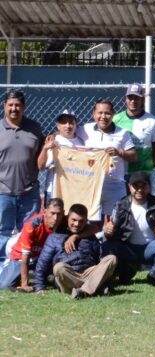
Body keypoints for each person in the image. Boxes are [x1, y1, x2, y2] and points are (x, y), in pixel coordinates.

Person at [33, 204, 118, 299]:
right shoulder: (55, 237)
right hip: (69, 276)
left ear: (86, 221)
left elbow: (100, 258)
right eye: (74, 220)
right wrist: (39, 287)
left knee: (111, 259)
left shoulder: (90, 236)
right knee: (58, 267)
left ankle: (84, 291)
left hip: (88, 273)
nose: (77, 224)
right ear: (67, 218)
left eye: (81, 221)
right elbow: (42, 263)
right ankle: (95, 288)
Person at [103, 172, 155, 286]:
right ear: (129, 187)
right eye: (135, 186)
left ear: (149, 187)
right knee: (106, 247)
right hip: (128, 247)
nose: (139, 190)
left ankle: (153, 274)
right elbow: (111, 230)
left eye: (143, 186)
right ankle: (125, 271)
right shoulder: (121, 205)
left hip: (149, 248)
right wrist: (108, 231)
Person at [0, 90, 45, 260]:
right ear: (4, 106)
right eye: (10, 105)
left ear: (24, 107)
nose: (14, 108)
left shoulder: (34, 128)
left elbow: (42, 156)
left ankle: (23, 265)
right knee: (2, 231)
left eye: (18, 105)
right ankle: (2, 266)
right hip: (3, 192)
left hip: (29, 192)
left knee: (28, 230)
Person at [81, 99, 137, 219]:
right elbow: (67, 134)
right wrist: (54, 136)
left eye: (107, 113)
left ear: (113, 114)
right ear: (93, 114)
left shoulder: (122, 133)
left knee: (116, 220)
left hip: (114, 185)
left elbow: (133, 155)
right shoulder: (85, 129)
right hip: (91, 184)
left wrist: (119, 152)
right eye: (100, 113)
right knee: (90, 219)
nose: (103, 117)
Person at [0, 198, 64, 291]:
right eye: (52, 213)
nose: (56, 218)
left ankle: (45, 276)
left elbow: (91, 227)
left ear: (63, 212)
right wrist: (24, 285)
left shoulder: (66, 221)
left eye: (59, 214)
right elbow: (25, 257)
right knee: (4, 286)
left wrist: (74, 237)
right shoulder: (32, 224)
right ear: (45, 212)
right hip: (21, 257)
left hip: (43, 258)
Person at [112, 83, 155, 177]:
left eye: (136, 98)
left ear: (142, 100)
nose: (133, 101)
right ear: (126, 99)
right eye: (130, 97)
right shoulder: (115, 119)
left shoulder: (153, 121)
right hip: (119, 172)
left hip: (142, 174)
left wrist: (148, 166)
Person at [36, 110, 85, 205]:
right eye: (64, 122)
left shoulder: (82, 143)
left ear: (76, 125)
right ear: (58, 125)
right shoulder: (53, 141)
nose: (68, 125)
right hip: (54, 191)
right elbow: (41, 167)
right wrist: (45, 149)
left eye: (71, 122)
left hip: (74, 191)